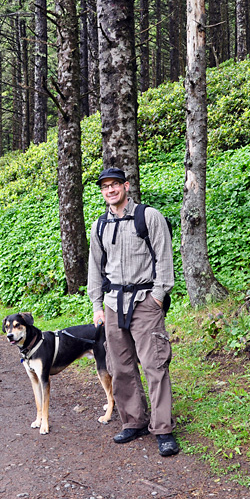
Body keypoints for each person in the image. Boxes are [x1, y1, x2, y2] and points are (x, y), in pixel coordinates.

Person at [87, 167, 179, 457]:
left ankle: (163, 429)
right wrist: (97, 306)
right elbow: (94, 268)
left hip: (145, 302)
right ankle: (134, 421)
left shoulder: (148, 217)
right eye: (105, 187)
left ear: (126, 186)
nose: (111, 190)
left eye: (115, 185)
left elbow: (164, 257)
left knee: (155, 365)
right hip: (114, 304)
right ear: (102, 192)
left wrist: (158, 297)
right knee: (120, 366)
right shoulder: (100, 225)